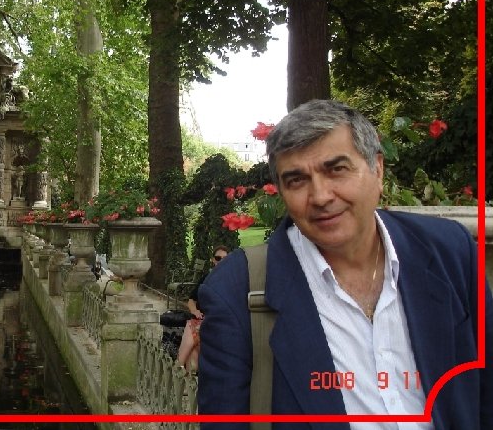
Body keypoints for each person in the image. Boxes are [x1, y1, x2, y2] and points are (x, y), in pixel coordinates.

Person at [197, 99, 492, 429]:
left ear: (377, 170)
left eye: (336, 169)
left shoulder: (448, 250)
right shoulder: (238, 290)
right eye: (297, 180)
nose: (320, 196)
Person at [176, 245, 229, 372]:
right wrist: (195, 311)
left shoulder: (231, 282)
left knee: (192, 334)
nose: (221, 261)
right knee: (193, 344)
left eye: (225, 259)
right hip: (200, 321)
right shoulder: (206, 279)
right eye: (218, 258)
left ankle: (177, 368)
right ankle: (181, 371)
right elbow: (191, 300)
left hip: (216, 324)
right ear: (213, 260)